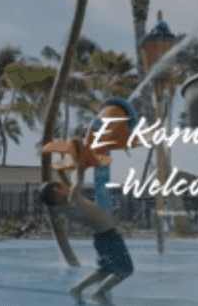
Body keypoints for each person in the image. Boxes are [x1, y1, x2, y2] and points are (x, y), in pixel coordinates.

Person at [39, 98, 139, 305]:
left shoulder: (64, 207)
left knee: (105, 269)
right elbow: (78, 178)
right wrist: (81, 158)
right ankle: (99, 293)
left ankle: (77, 289)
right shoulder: (73, 197)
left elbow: (68, 184)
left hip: (101, 238)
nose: (63, 184)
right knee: (126, 270)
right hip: (109, 237)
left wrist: (63, 168)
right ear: (58, 190)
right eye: (59, 184)